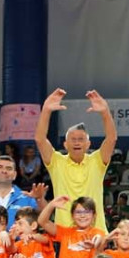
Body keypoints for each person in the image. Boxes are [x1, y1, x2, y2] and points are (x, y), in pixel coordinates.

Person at [35, 88, 118, 231]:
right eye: (73, 139)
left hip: (96, 234)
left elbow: (111, 139)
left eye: (81, 139)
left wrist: (105, 112)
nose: (77, 142)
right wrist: (46, 111)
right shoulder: (57, 162)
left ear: (88, 144)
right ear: (65, 145)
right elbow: (40, 139)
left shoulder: (97, 161)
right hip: (65, 234)